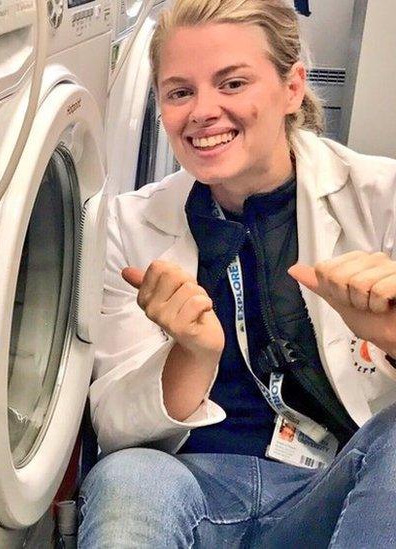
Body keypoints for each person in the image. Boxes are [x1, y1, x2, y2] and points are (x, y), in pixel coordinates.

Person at [79, 0, 396, 546]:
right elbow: (113, 426)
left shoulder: (381, 199)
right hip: (186, 491)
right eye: (180, 92)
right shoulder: (126, 225)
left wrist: (392, 340)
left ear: (292, 87)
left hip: (332, 493)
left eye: (231, 84)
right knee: (126, 477)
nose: (202, 111)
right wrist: (193, 353)